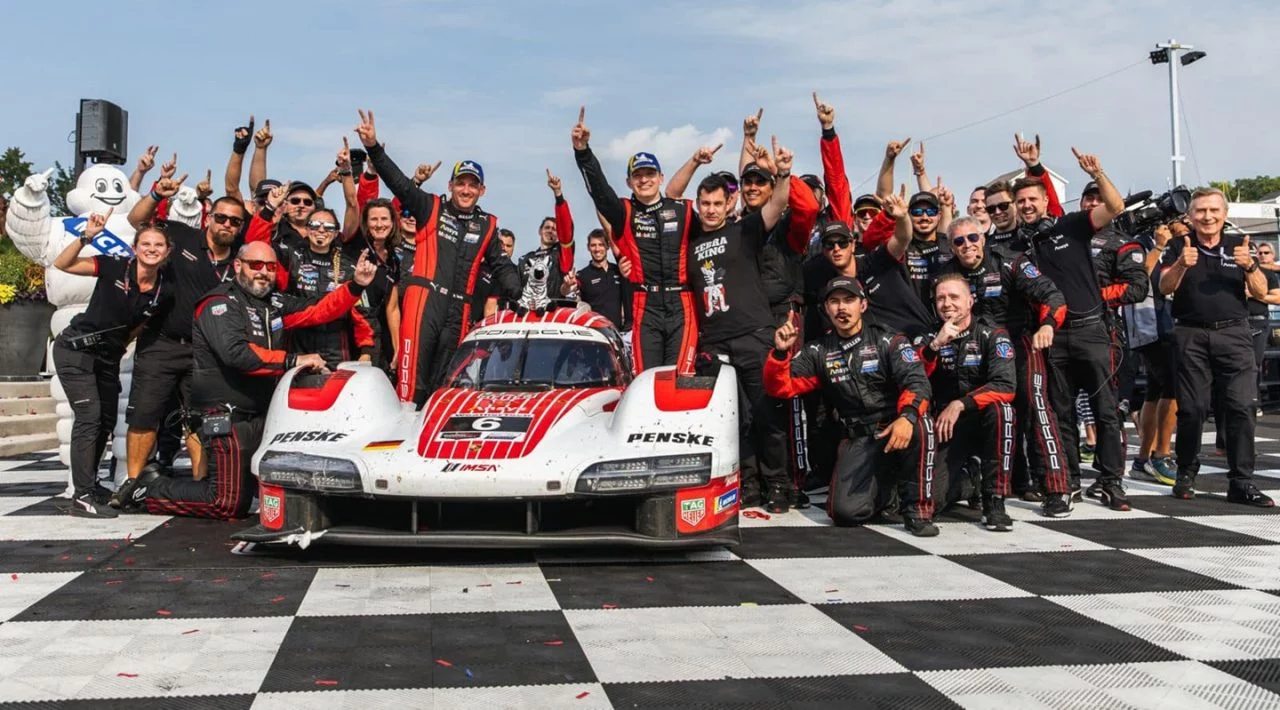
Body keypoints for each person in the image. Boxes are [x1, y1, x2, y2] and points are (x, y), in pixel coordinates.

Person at [137, 242, 378, 519]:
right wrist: (293, 360)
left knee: (256, 496)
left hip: (263, 414)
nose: (264, 272)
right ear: (238, 266)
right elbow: (237, 355)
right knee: (226, 503)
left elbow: (320, 309)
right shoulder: (218, 303)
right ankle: (148, 488)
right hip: (226, 414)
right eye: (256, 265)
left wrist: (356, 285)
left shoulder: (273, 302)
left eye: (271, 267)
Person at [355, 109, 519, 406]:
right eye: (461, 183)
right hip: (425, 303)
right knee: (411, 386)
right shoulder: (431, 207)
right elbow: (400, 184)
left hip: (460, 312)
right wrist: (373, 148)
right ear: (450, 186)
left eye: (472, 184)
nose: (466, 189)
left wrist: (519, 292)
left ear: (482, 190)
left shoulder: (488, 225)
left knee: (444, 388)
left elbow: (502, 265)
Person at [765, 277, 938, 536]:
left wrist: (907, 416)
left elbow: (917, 382)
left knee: (921, 423)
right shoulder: (817, 350)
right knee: (843, 513)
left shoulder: (889, 340)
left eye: (849, 300)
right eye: (834, 302)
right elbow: (782, 387)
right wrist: (780, 353)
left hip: (896, 426)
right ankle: (891, 492)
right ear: (826, 309)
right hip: (859, 438)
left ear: (863, 305)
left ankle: (918, 512)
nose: (841, 308)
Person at [686, 140, 804, 512]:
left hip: (755, 334)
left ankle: (779, 484)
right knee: (736, 420)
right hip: (715, 342)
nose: (710, 210)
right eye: (705, 204)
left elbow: (778, 204)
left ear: (729, 204)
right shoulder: (688, 243)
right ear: (697, 205)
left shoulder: (745, 230)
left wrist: (782, 173)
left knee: (768, 414)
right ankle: (748, 484)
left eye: (718, 203)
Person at [1019, 146, 1129, 514]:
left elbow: (1114, 207)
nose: (1026, 206)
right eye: (1021, 201)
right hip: (1051, 336)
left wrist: (1098, 173)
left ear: (1045, 199)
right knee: (1061, 413)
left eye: (1032, 198)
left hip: (1091, 329)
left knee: (1105, 410)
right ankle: (1068, 483)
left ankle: (1112, 481)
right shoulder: (1020, 243)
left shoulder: (1071, 224)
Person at [122, 178, 247, 495]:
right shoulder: (180, 235)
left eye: (235, 221)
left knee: (200, 422)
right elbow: (137, 221)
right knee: (145, 416)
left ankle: (202, 486)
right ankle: (132, 485)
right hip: (162, 343)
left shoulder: (241, 261)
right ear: (209, 217)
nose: (227, 224)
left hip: (206, 353)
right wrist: (155, 194)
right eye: (221, 217)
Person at [936, 217, 1068, 506]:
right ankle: (1010, 483)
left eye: (972, 238)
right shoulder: (945, 275)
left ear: (983, 238)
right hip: (971, 351)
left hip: (1019, 344)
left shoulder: (1010, 262)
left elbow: (1052, 295)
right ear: (951, 247)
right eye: (959, 241)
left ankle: (1057, 488)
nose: (967, 245)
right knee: (990, 413)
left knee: (1035, 405)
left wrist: (1047, 325)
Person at [1158, 188, 1274, 506]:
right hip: (1190, 333)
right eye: (1200, 211)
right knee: (1193, 409)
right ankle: (1185, 473)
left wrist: (1250, 266)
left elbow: (1262, 292)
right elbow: (1163, 286)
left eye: (1213, 210)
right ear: (1190, 215)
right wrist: (1182, 264)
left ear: (1224, 215)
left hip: (1235, 333)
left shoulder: (1240, 245)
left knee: (1241, 406)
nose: (1207, 217)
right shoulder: (1177, 245)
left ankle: (1241, 482)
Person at [50, 212, 171, 517]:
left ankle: (91, 485)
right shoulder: (114, 265)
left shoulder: (163, 290)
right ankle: (82, 494)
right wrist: (85, 238)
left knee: (105, 421)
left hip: (107, 357)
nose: (152, 249)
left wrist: (118, 351)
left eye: (158, 244)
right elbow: (63, 264)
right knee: (89, 417)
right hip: (75, 350)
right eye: (146, 243)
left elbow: (137, 328)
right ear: (136, 247)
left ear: (167, 251)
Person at [572, 107, 697, 373]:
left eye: (650, 174)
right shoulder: (625, 212)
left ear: (661, 178)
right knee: (645, 378)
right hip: (645, 304)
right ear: (629, 182)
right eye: (637, 176)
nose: (644, 180)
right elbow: (600, 192)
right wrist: (583, 153)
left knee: (680, 377)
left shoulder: (684, 210)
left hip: (682, 304)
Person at [922, 274, 1017, 530]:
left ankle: (995, 501)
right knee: (930, 502)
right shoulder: (928, 335)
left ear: (970, 301)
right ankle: (970, 479)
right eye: (941, 298)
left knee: (1003, 411)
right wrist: (935, 345)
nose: (947, 304)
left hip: (983, 422)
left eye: (954, 297)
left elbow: (1006, 386)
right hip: (945, 427)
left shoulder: (993, 334)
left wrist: (961, 403)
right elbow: (911, 378)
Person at [245, 185, 374, 368]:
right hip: (297, 348)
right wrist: (268, 210)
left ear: (336, 232)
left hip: (337, 351)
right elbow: (255, 248)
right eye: (315, 225)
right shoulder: (290, 256)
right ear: (307, 229)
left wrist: (366, 352)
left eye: (328, 226)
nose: (321, 230)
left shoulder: (350, 266)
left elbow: (361, 316)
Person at [514, 171, 575, 310]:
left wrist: (558, 194)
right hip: (527, 313)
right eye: (547, 227)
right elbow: (516, 290)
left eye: (555, 229)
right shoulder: (525, 259)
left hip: (553, 313)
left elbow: (566, 227)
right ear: (540, 231)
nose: (550, 230)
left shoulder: (561, 254)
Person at [578, 229, 631, 333]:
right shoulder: (582, 275)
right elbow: (573, 300)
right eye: (593, 245)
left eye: (601, 244)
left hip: (619, 334)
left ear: (608, 246)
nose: (597, 249)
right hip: (594, 333)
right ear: (588, 247)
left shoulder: (619, 271)